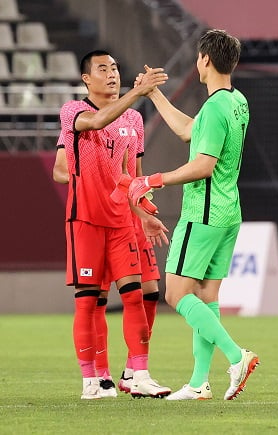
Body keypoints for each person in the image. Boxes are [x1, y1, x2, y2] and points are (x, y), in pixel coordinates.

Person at [128, 29, 259, 401]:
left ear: (204, 60)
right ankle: (200, 383)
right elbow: (191, 130)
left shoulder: (217, 107)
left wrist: (154, 178)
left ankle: (236, 357)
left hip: (202, 212)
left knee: (176, 294)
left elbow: (202, 165)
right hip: (228, 211)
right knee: (205, 295)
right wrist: (154, 94)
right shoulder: (235, 100)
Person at [55, 49, 171, 399]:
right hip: (86, 220)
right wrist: (139, 91)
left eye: (116, 68)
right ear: (86, 79)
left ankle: (140, 373)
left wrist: (144, 215)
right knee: (88, 301)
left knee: (136, 296)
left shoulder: (134, 121)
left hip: (121, 222)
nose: (112, 74)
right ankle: (92, 379)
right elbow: (94, 124)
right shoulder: (73, 111)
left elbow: (129, 175)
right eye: (102, 69)